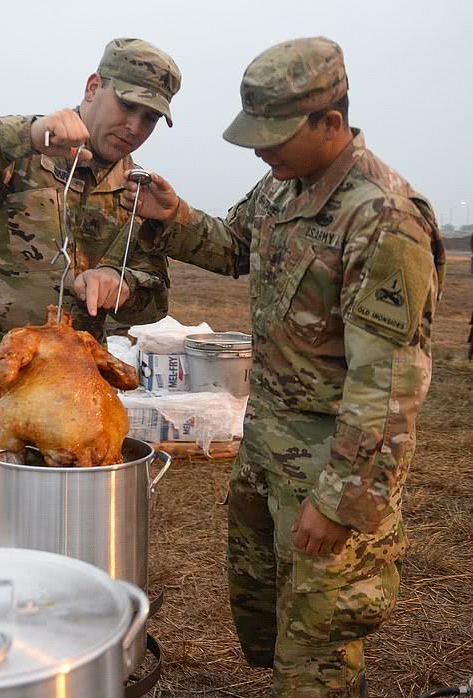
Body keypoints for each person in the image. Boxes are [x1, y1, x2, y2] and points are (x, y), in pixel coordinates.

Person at [125, 37, 445, 696]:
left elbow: (387, 384)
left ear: (331, 122)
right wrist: (173, 216)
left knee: (319, 645)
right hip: (267, 447)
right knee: (273, 625)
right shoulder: (279, 188)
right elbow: (232, 244)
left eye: (274, 135)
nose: (259, 150)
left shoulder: (381, 217)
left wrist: (339, 498)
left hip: (332, 462)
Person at [0, 38, 181, 474]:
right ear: (93, 87)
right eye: (127, 106)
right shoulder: (21, 153)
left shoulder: (137, 192)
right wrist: (20, 135)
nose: (136, 127)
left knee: (68, 527)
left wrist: (123, 287)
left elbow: (154, 291)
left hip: (76, 402)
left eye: (151, 118)